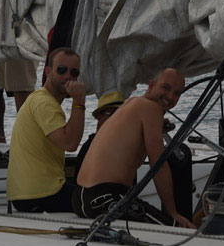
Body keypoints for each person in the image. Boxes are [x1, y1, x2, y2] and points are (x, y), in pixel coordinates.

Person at [74, 69, 196, 228]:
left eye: (177, 93)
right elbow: (158, 165)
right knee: (175, 229)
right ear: (152, 85)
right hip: (105, 197)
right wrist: (172, 212)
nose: (170, 97)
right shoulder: (152, 108)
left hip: (81, 198)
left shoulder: (132, 103)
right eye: (165, 88)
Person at [5, 47, 88, 212]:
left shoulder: (40, 99)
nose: (68, 76)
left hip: (27, 195)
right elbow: (70, 143)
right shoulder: (44, 103)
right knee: (97, 202)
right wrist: (79, 100)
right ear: (48, 71)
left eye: (74, 72)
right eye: (62, 70)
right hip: (41, 195)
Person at [75, 91, 124, 171]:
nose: (117, 118)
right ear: (99, 117)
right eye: (112, 114)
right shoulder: (89, 147)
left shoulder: (125, 147)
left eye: (121, 114)